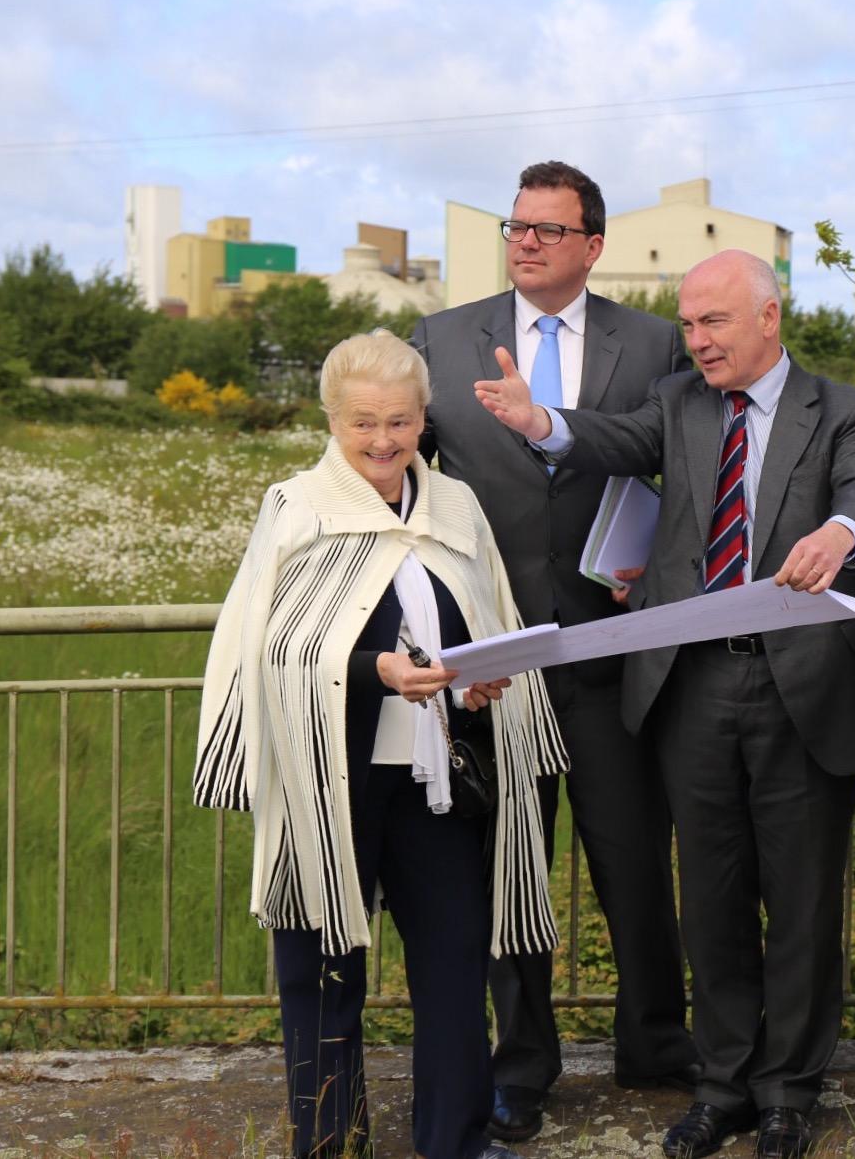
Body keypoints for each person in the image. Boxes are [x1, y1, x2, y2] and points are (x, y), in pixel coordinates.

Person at [475, 249, 855, 1159]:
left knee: (801, 898)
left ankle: (788, 1091)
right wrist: (538, 419)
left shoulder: (847, 408)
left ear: (769, 317)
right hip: (692, 686)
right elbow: (607, 441)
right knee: (709, 897)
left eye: (714, 323)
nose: (695, 340)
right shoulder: (678, 404)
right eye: (689, 324)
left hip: (803, 689)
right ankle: (724, 1084)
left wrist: (840, 529)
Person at [192, 330, 568, 1159]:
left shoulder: (456, 507)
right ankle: (329, 1141)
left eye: (399, 421)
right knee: (322, 968)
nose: (383, 441)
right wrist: (375, 670)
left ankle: (456, 1141)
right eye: (363, 422)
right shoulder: (297, 506)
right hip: (329, 779)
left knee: (454, 960)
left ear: (422, 416)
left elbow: (486, 617)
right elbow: (271, 648)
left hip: (438, 781)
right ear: (331, 418)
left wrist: (477, 681)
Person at [412, 159, 698, 1141]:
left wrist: (653, 567)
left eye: (546, 228)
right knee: (511, 874)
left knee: (632, 862)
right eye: (515, 225)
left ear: (592, 243)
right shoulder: (442, 341)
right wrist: (443, 636)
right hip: (493, 666)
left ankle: (656, 1045)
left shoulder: (656, 342)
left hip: (612, 653)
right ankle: (521, 1069)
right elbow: (409, 492)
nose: (524, 240)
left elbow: (683, 470)